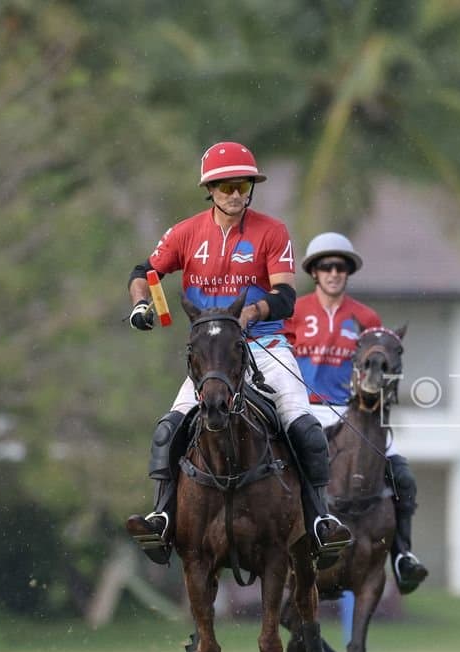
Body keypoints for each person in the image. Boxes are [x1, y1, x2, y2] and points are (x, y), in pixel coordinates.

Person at [124, 141, 352, 567]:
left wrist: (254, 310)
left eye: (243, 184)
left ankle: (321, 520)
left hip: (263, 346)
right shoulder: (186, 232)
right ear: (210, 189)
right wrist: (142, 304)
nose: (235, 193)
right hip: (211, 356)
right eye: (226, 185)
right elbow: (145, 272)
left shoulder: (272, 231)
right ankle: (162, 518)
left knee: (303, 426)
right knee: (168, 428)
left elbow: (285, 293)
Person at [284, 232, 429, 595]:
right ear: (314, 272)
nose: (334, 273)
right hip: (305, 411)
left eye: (340, 267)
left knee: (402, 477)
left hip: (353, 416)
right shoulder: (295, 311)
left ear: (348, 273)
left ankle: (402, 557)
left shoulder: (366, 317)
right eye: (326, 266)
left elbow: (380, 372)